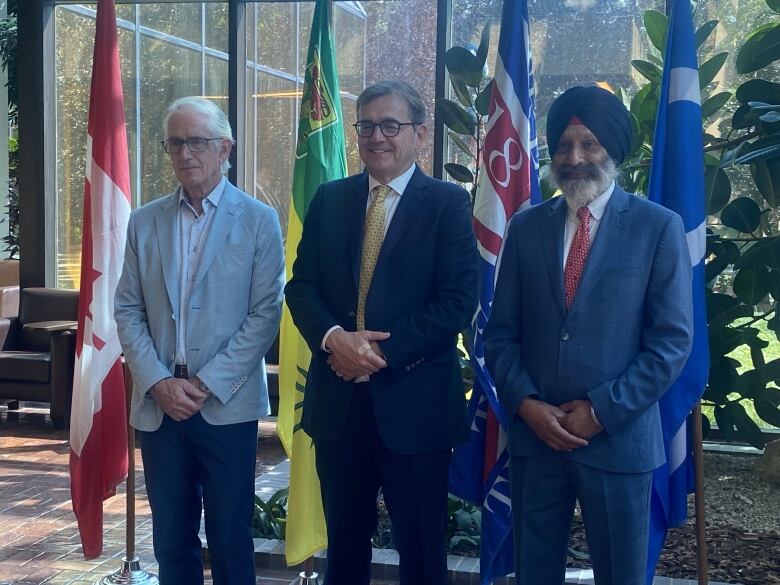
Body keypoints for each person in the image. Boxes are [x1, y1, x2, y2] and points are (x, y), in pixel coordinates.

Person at [484, 85, 694, 585]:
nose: (574, 158)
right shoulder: (525, 227)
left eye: (589, 144)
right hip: (538, 439)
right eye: (563, 146)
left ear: (613, 150)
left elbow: (671, 342)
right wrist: (528, 406)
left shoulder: (657, 227)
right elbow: (500, 335)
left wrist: (600, 411)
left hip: (618, 442)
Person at [284, 80, 477, 585]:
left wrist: (374, 353)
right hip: (338, 406)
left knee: (421, 551)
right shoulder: (329, 200)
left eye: (390, 125)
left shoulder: (448, 205)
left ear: (418, 132)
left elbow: (456, 303)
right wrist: (333, 338)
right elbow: (301, 287)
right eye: (366, 125)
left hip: (414, 406)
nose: (377, 137)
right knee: (344, 551)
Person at [115, 96, 284, 585]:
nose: (185, 153)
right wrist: (158, 381)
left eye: (197, 141)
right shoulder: (144, 221)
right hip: (159, 405)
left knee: (231, 536)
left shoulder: (258, 221)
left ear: (225, 148)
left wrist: (207, 383)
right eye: (175, 142)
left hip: (225, 405)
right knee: (171, 539)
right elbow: (127, 308)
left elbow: (264, 314)